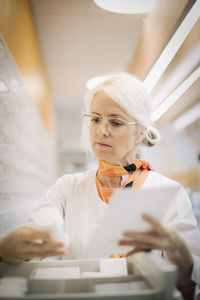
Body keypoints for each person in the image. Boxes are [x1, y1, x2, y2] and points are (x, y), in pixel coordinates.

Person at [0, 73, 199, 298]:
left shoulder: (170, 193)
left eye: (115, 122)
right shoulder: (66, 188)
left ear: (140, 133)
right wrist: (7, 251)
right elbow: (32, 242)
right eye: (95, 119)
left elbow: (189, 280)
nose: (101, 130)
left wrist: (177, 250)